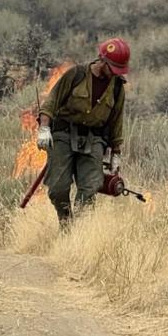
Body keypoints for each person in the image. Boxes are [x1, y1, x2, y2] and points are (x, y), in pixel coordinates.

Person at [35, 38, 129, 225]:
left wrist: (116, 153)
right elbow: (51, 102)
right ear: (102, 60)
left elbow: (116, 121)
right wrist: (44, 128)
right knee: (58, 188)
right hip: (63, 134)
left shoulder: (118, 88)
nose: (114, 73)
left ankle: (78, 231)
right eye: (112, 68)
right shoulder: (76, 75)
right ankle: (65, 222)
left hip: (94, 139)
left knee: (90, 188)